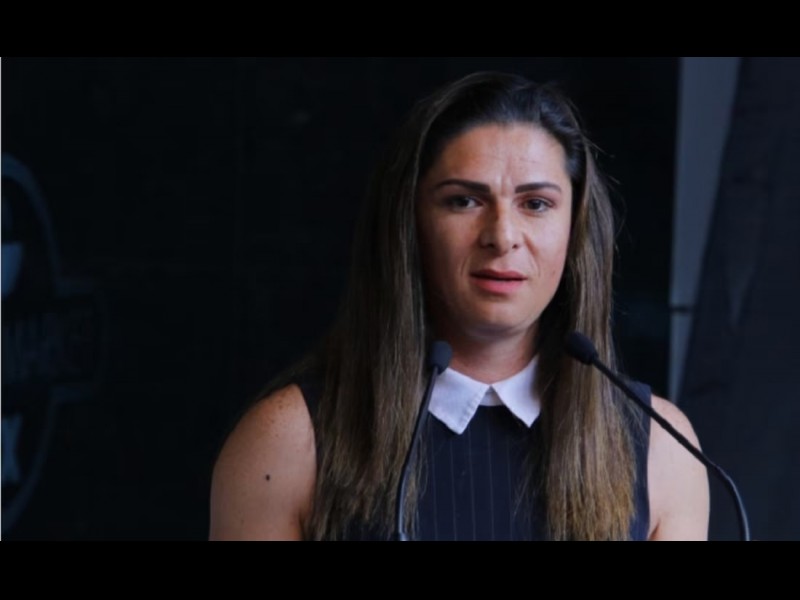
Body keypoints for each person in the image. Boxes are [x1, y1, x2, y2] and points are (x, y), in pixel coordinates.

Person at [208, 71, 710, 541]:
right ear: (409, 223)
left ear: (575, 229)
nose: (502, 236)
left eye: (536, 204)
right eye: (464, 201)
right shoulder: (287, 441)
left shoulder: (662, 449)